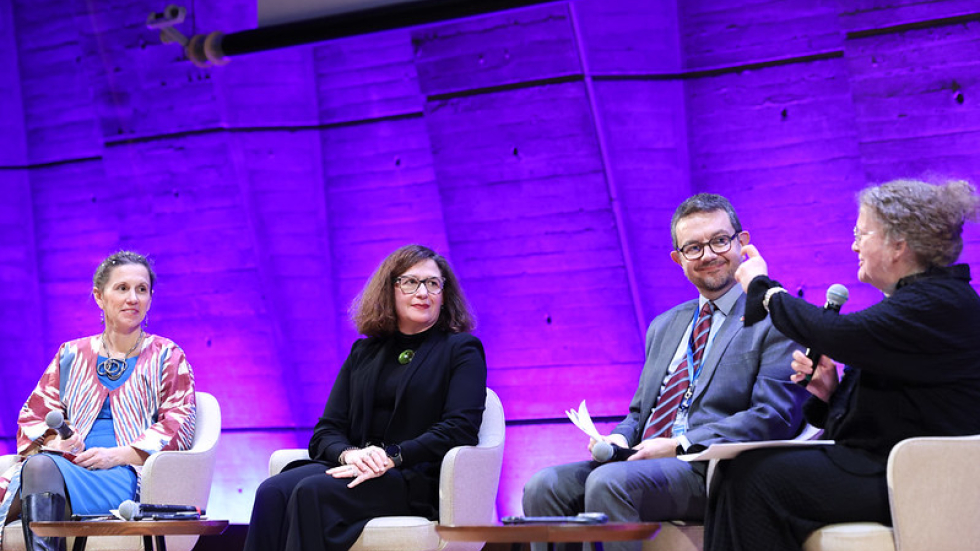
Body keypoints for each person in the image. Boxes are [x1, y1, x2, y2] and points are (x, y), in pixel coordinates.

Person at [704, 178, 980, 551]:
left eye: (861, 233)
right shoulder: (916, 301)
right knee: (732, 472)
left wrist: (765, 290)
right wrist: (831, 393)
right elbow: (889, 411)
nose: (853, 245)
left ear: (898, 244)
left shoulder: (940, 303)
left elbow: (839, 333)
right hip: (885, 464)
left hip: (920, 477)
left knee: (755, 479)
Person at [522, 194, 808, 551]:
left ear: (743, 242)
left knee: (610, 483)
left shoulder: (777, 316)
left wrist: (678, 445)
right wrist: (619, 440)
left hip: (710, 468)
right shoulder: (664, 325)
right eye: (693, 248)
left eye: (719, 240)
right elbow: (640, 413)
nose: (708, 255)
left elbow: (774, 416)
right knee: (544, 484)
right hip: (640, 459)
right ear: (678, 259)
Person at [245, 244, 487, 551]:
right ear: (390, 289)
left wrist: (392, 456)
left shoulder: (461, 349)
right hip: (359, 467)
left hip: (413, 476)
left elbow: (459, 427)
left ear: (444, 293)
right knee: (272, 491)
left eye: (433, 283)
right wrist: (349, 454)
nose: (423, 292)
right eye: (410, 282)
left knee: (311, 492)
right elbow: (327, 430)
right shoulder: (364, 353)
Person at [0, 251, 196, 551]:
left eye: (141, 290)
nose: (133, 298)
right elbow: (34, 415)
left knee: (39, 471)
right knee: (40, 466)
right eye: (122, 288)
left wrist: (119, 455)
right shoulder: (71, 354)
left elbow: (179, 424)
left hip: (128, 473)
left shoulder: (167, 354)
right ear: (99, 297)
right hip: (66, 464)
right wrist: (55, 442)